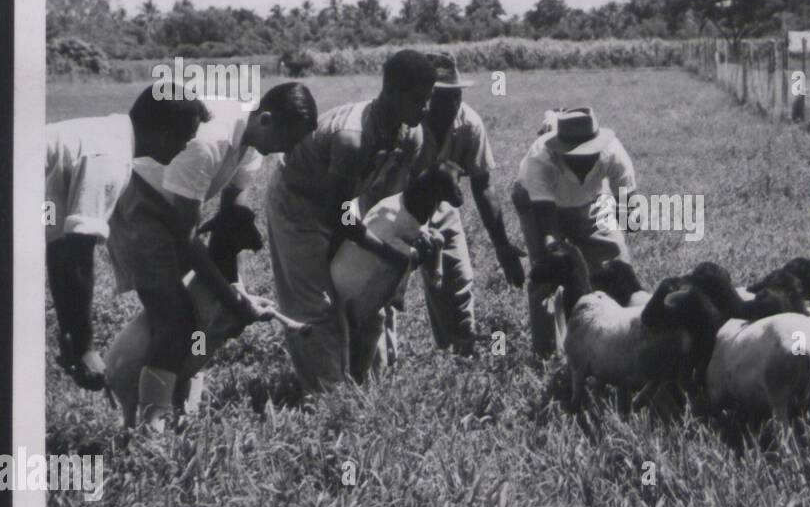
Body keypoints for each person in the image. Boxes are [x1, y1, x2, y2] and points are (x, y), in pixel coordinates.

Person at [106, 82, 320, 432]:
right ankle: (150, 426)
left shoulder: (252, 143)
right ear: (266, 120)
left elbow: (231, 215)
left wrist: (236, 286)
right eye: (289, 140)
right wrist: (233, 302)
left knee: (195, 317)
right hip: (142, 204)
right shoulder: (211, 143)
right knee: (175, 318)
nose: (289, 151)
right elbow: (186, 234)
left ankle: (175, 402)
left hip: (170, 205)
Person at [265, 49, 436, 391]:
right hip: (298, 203)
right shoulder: (352, 138)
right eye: (419, 99)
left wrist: (415, 235)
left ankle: (364, 381)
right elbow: (341, 219)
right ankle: (327, 396)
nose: (426, 108)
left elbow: (391, 204)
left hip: (343, 203)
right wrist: (390, 254)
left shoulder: (409, 135)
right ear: (391, 93)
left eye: (428, 99)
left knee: (364, 294)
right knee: (317, 301)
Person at [45, 83, 209, 390]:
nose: (185, 149)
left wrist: (70, 333)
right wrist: (84, 347)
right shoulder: (110, 156)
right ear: (164, 134)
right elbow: (78, 252)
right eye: (185, 140)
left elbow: (59, 248)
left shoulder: (109, 135)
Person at [409, 52, 526, 356]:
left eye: (456, 94)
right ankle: (378, 363)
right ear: (424, 96)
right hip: (393, 203)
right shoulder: (407, 121)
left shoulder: (469, 123)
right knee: (386, 283)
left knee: (458, 278)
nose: (452, 102)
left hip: (440, 206)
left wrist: (502, 245)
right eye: (442, 96)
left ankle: (460, 351)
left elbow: (482, 184)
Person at [511, 107, 635, 355]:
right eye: (574, 155)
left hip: (590, 200)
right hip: (536, 203)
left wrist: (612, 250)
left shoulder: (613, 154)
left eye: (588, 154)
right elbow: (549, 228)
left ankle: (619, 336)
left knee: (616, 264)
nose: (581, 161)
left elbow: (627, 207)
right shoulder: (540, 161)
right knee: (546, 272)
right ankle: (547, 353)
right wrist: (555, 250)